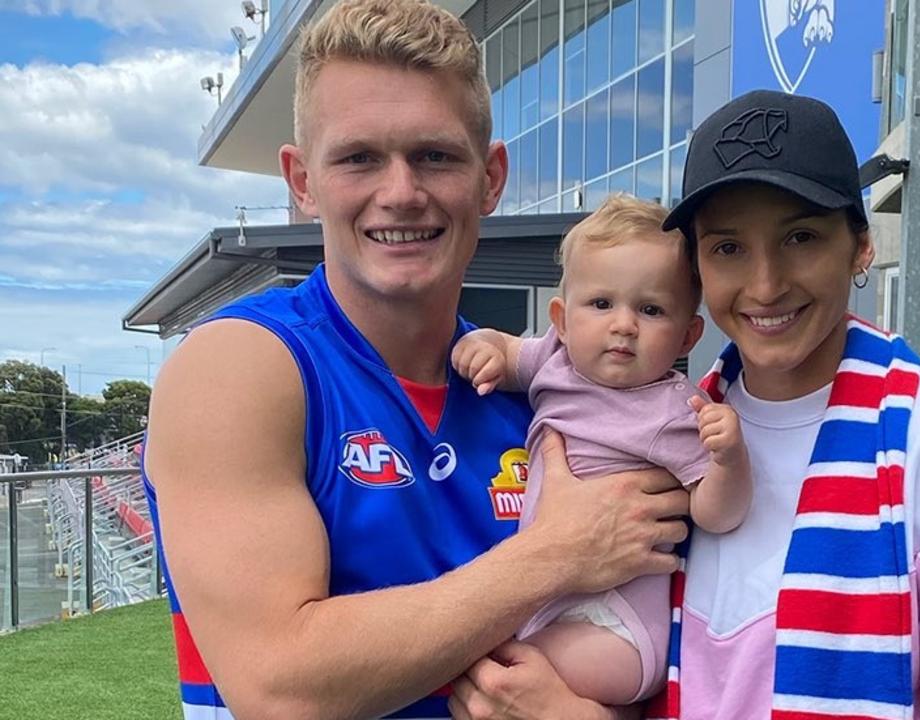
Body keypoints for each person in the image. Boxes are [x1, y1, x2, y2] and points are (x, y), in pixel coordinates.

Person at [141, 2, 688, 719]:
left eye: (434, 155)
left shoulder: (543, 393)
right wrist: (555, 553)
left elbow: (657, 652)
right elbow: (279, 685)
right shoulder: (242, 366)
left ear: (491, 178)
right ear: (301, 181)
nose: (401, 192)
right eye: (359, 157)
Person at [452, 91, 920, 719]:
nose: (766, 285)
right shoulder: (672, 425)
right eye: (729, 248)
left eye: (800, 236)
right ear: (698, 270)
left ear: (861, 246)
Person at [451, 194, 752, 707]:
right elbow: (508, 352)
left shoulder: (675, 410)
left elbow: (718, 513)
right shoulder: (555, 358)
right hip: (556, 599)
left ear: (687, 335)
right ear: (562, 320)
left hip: (614, 627)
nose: (624, 324)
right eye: (601, 303)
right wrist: (482, 347)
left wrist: (729, 460)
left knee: (482, 661)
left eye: (651, 309)